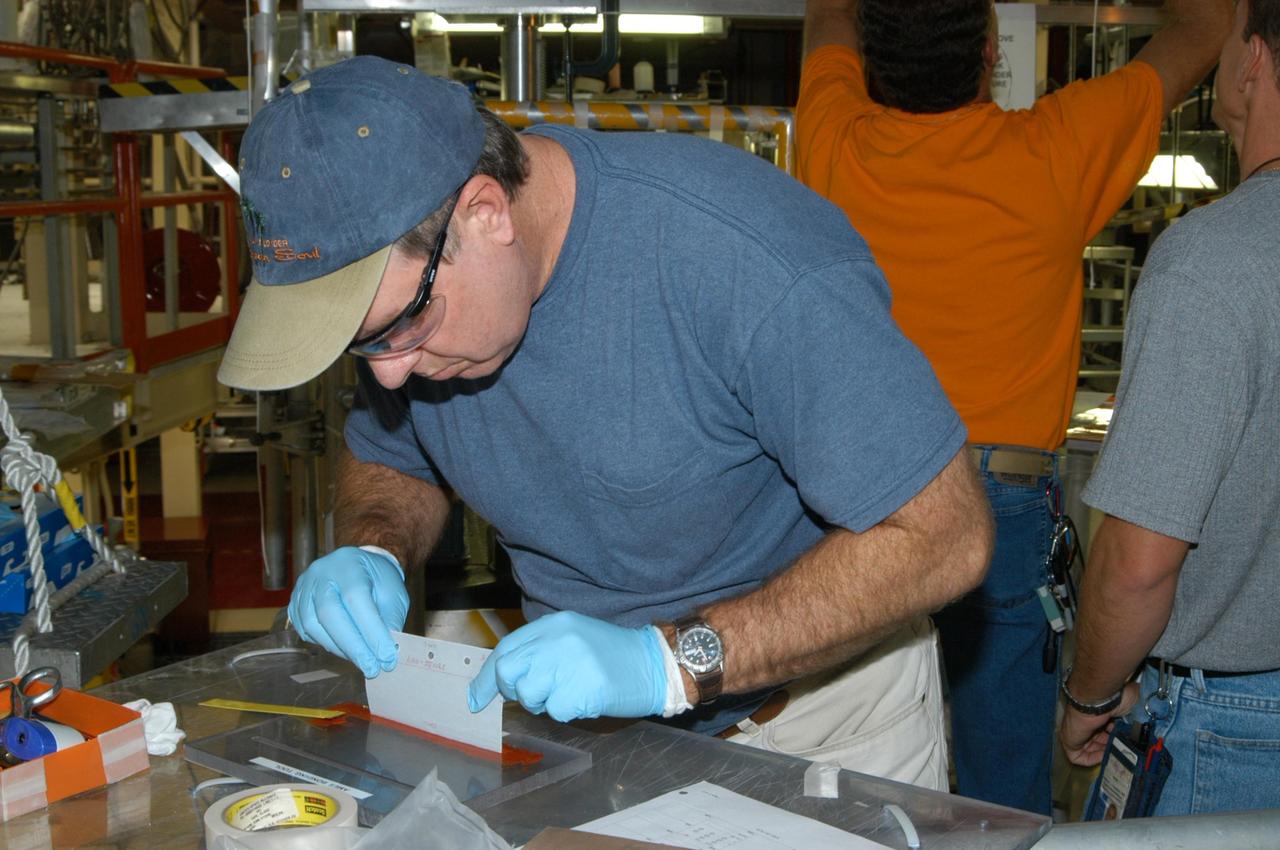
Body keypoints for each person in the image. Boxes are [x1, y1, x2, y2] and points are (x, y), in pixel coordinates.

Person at [217, 55, 994, 789]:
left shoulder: (745, 262)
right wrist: (374, 547)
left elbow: (944, 535)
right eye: (360, 345)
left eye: (400, 328)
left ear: (486, 213)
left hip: (815, 725)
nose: (386, 372)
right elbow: (397, 457)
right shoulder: (416, 309)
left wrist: (671, 663)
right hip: (604, 738)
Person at [796, 0, 1232, 813]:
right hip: (1001, 508)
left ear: (868, 58)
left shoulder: (831, 135)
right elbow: (1204, 29)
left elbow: (825, 18)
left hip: (863, 503)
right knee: (1000, 801)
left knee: (861, 778)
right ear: (991, 51)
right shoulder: (1055, 150)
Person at [1058, 0, 1280, 817]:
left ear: (1253, 61)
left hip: (1236, 733)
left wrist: (1090, 695)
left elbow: (1139, 564)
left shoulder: (1216, 260)